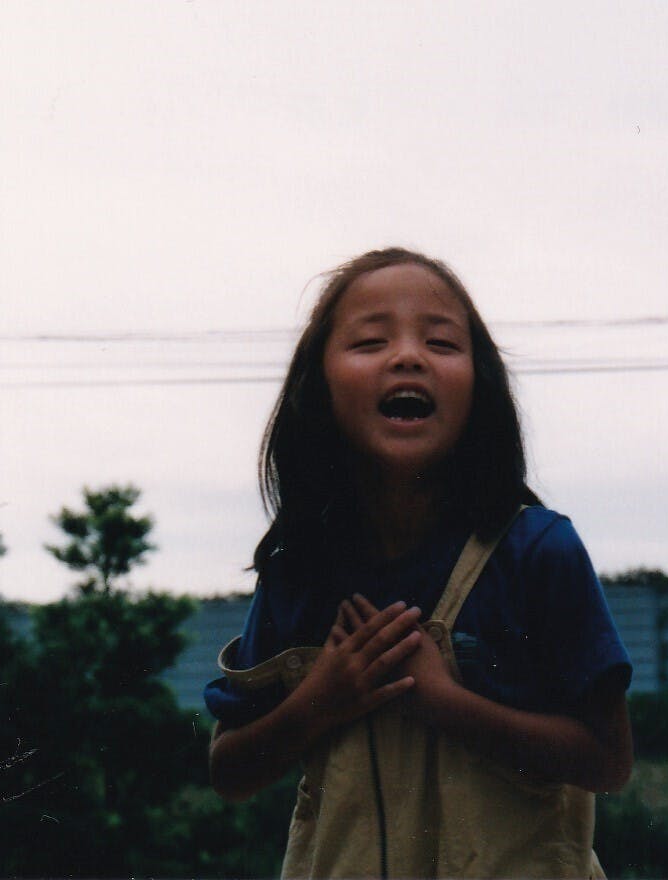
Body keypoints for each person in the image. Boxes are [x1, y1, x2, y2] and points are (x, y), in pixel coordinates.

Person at [204, 248, 633, 878]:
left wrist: (445, 702)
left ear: (480, 387)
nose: (408, 356)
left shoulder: (538, 551)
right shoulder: (299, 569)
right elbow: (229, 769)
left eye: (441, 343)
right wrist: (321, 700)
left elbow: (609, 761)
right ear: (318, 388)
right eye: (370, 341)